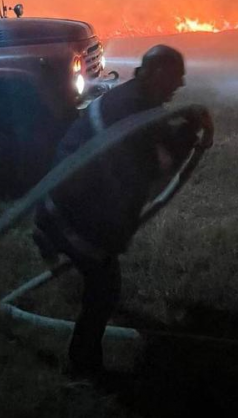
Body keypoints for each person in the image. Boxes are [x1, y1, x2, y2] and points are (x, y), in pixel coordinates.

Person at [33, 45, 205, 376]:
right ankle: (83, 366)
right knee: (105, 288)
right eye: (175, 77)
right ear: (156, 74)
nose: (180, 85)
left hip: (64, 199)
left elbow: (152, 142)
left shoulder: (135, 100)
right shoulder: (131, 109)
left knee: (98, 271)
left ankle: (49, 234)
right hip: (74, 209)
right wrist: (187, 135)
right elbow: (153, 166)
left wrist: (185, 130)